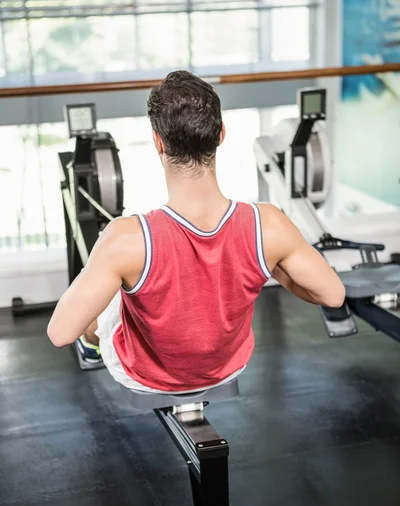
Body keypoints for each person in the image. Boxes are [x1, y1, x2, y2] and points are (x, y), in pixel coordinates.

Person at [48, 70, 345, 394]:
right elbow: (333, 295)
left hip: (144, 376)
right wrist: (272, 267)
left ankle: (94, 344)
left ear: (157, 142)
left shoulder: (125, 238)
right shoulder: (269, 224)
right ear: (220, 134)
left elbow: (60, 332)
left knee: (109, 296)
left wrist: (103, 266)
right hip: (229, 367)